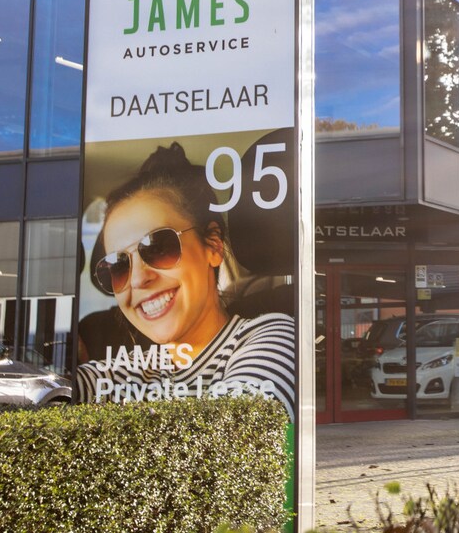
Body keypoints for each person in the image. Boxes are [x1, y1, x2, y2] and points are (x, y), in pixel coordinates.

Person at [74, 143, 295, 412]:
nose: (138, 280)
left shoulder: (272, 337)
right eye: (118, 266)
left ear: (213, 246)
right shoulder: (125, 370)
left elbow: (241, 428)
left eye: (158, 247)